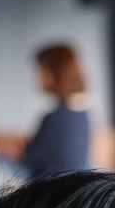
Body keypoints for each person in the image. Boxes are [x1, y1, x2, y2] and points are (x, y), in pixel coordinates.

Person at [23, 43, 91, 179]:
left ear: (56, 73)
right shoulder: (81, 114)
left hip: (48, 185)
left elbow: (35, 160)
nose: (38, 77)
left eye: (41, 71)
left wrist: (25, 150)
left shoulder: (58, 118)